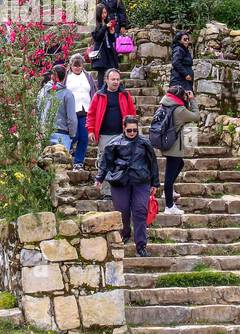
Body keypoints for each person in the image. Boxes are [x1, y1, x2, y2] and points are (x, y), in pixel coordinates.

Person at [95, 114, 159, 257]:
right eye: (129, 130)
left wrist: (155, 182)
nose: (132, 133)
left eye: (134, 130)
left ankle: (141, 245)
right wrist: (99, 178)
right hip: (120, 181)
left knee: (140, 211)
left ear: (138, 129)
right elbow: (106, 162)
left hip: (141, 181)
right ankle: (125, 233)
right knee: (122, 210)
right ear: (123, 128)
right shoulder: (114, 143)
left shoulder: (144, 143)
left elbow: (152, 163)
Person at [86, 69, 136, 195]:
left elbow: (132, 113)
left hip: (121, 134)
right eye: (113, 79)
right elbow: (91, 114)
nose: (116, 82)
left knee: (122, 162)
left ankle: (121, 189)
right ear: (106, 80)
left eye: (118, 79)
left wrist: (132, 130)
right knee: (105, 163)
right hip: (104, 135)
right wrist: (91, 130)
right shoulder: (99, 95)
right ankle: (107, 192)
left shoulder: (125, 95)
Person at [156, 84, 201, 216]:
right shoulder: (179, 110)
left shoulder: (165, 104)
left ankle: (168, 192)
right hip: (174, 147)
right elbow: (196, 116)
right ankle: (169, 206)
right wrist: (192, 100)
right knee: (169, 177)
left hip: (168, 143)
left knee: (179, 164)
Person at [65, 53, 98, 169]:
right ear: (71, 65)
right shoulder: (67, 77)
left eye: (79, 65)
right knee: (75, 135)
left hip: (86, 110)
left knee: (84, 137)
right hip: (71, 111)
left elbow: (93, 91)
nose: (77, 68)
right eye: (75, 65)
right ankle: (67, 149)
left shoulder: (88, 76)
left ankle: (78, 162)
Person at [37, 64, 78, 149]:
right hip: (62, 134)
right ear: (64, 76)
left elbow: (38, 111)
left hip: (43, 132)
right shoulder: (68, 94)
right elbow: (72, 118)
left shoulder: (42, 91)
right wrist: (72, 134)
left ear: (51, 76)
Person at [90, 3, 120, 87]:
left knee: (112, 72)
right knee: (102, 74)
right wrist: (104, 27)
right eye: (102, 13)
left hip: (109, 51)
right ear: (98, 13)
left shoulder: (107, 22)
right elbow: (97, 37)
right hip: (101, 52)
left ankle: (111, 91)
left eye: (105, 13)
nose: (104, 15)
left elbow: (112, 39)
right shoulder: (95, 24)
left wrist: (112, 32)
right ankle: (101, 93)